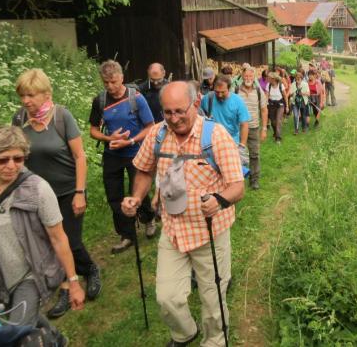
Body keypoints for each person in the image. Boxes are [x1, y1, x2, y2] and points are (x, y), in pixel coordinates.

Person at [121, 81, 245, 347]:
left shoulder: (216, 136)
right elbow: (143, 169)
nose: (174, 119)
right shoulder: (157, 135)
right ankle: (185, 333)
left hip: (210, 232)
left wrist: (219, 200)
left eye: (180, 111)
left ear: (196, 104)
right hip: (173, 230)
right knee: (167, 297)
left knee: (213, 298)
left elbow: (237, 186)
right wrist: (136, 197)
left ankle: (214, 341)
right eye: (168, 112)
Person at [0, 126, 85, 339]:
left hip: (31, 275)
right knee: (2, 321)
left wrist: (73, 282)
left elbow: (58, 238)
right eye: (2, 160)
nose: (12, 166)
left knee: (12, 335)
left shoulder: (38, 189)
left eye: (18, 159)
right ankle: (53, 337)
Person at [13, 69, 101, 319]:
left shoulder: (62, 116)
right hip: (37, 195)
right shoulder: (19, 119)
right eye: (22, 95)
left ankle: (91, 269)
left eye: (30, 95)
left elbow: (79, 156)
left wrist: (80, 192)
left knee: (70, 242)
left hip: (66, 191)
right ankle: (64, 288)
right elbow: (17, 156)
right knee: (51, 244)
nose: (25, 101)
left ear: (45, 93)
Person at [89, 60, 157, 253]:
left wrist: (131, 141)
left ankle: (148, 218)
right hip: (112, 154)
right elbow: (93, 130)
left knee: (138, 191)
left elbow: (150, 126)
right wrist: (108, 138)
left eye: (113, 82)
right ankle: (126, 235)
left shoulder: (136, 98)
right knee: (114, 195)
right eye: (105, 83)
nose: (110, 86)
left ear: (121, 78)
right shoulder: (100, 101)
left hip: (135, 152)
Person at [236, 67, 268, 190]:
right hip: (239, 128)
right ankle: (239, 180)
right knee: (238, 154)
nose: (248, 79)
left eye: (250, 76)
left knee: (254, 154)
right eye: (246, 76)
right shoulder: (236, 90)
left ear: (254, 77)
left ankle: (254, 179)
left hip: (254, 127)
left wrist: (264, 128)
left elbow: (264, 110)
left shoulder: (259, 91)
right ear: (242, 77)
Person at [200, 74, 251, 146]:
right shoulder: (208, 98)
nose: (220, 95)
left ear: (229, 89)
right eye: (217, 92)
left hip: (232, 142)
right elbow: (199, 116)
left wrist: (242, 145)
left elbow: (244, 124)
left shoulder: (238, 101)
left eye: (223, 92)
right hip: (211, 142)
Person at [266, 72, 288, 144]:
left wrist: (287, 106)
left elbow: (285, 96)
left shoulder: (281, 85)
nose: (267, 79)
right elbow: (267, 96)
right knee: (273, 122)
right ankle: (275, 133)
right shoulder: (268, 85)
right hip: (271, 105)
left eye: (268, 78)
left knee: (278, 121)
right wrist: (265, 105)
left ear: (273, 79)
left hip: (280, 105)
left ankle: (278, 138)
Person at [290, 69, 310, 134]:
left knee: (303, 116)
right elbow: (290, 93)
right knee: (296, 116)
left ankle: (304, 128)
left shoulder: (305, 84)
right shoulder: (293, 84)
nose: (297, 81)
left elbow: (308, 94)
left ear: (301, 79)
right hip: (295, 102)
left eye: (299, 79)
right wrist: (294, 93)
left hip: (303, 102)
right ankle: (296, 130)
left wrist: (302, 93)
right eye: (296, 79)